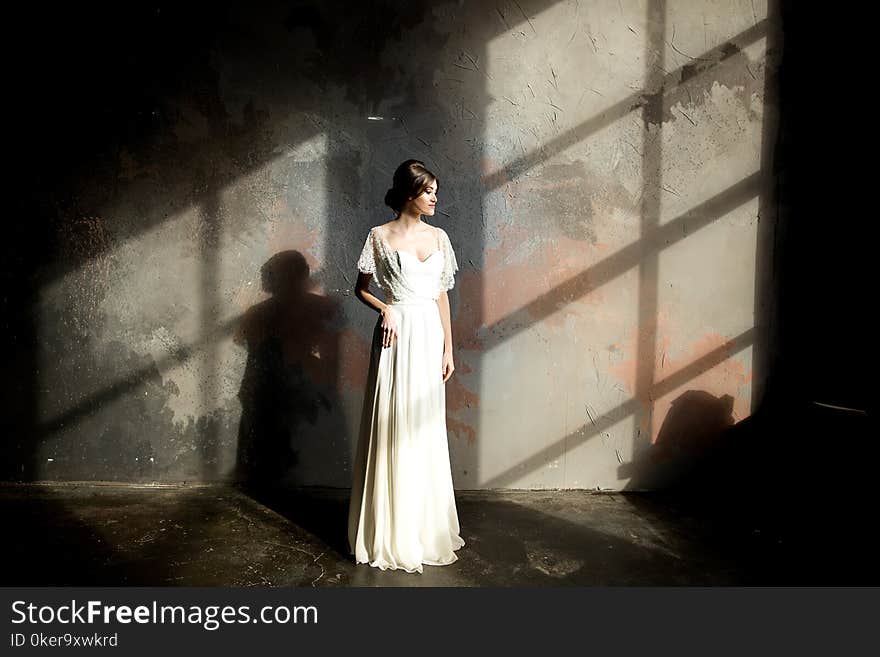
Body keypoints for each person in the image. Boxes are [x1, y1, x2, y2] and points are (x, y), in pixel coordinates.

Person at [347, 159, 465, 573]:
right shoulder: (378, 237)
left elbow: (441, 295)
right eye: (429, 190)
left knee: (425, 427)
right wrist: (386, 309)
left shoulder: (440, 237)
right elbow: (360, 288)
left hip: (429, 337)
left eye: (436, 190)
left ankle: (423, 528)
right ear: (409, 193)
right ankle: (392, 533)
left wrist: (449, 348)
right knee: (393, 425)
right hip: (396, 337)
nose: (435, 197)